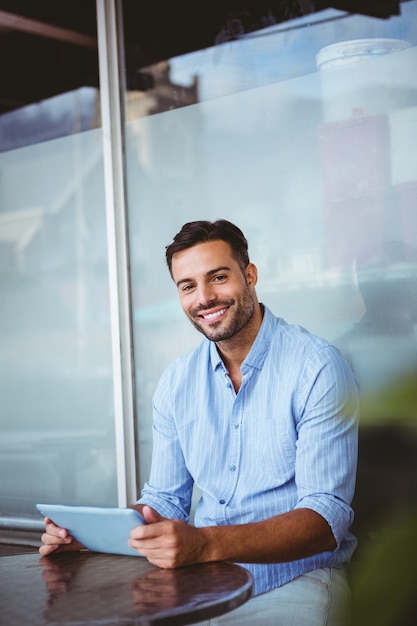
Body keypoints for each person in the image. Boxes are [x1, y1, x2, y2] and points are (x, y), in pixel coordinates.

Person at [40, 219, 359, 625]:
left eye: (218, 277)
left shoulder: (317, 367)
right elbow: (165, 501)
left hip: (297, 580)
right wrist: (85, 539)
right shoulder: (177, 381)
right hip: (201, 582)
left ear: (250, 275)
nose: (204, 298)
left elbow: (325, 518)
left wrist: (205, 544)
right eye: (187, 285)